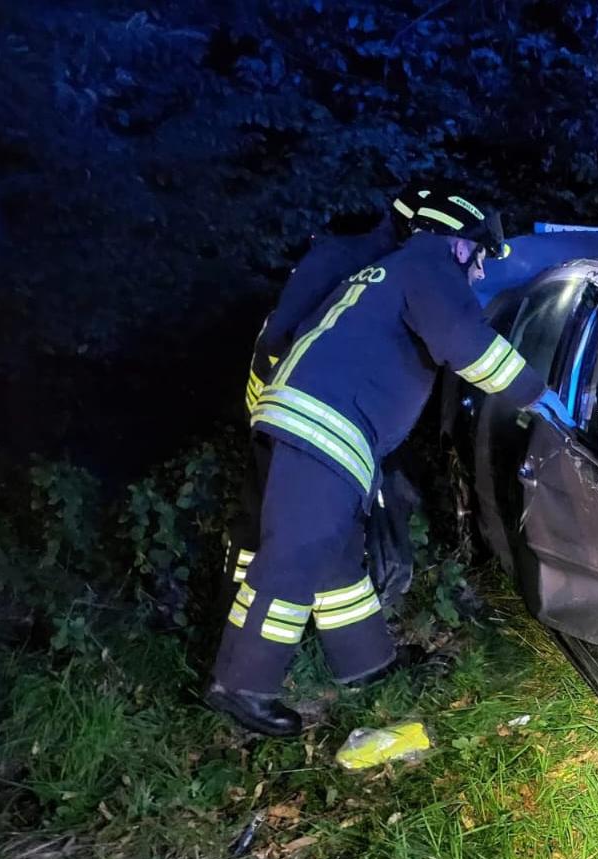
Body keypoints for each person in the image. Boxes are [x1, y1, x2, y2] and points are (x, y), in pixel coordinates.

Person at [207, 192, 571, 737]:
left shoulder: (388, 269)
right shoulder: (428, 262)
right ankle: (241, 684)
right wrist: (536, 394)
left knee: (334, 560)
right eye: (479, 259)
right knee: (297, 555)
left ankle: (367, 664)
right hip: (322, 423)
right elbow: (465, 342)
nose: (477, 274)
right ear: (459, 241)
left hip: (312, 420)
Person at [227, 183, 438, 599]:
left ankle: (291, 629)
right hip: (290, 419)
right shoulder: (347, 258)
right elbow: (280, 336)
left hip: (319, 421)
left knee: (316, 532)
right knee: (265, 528)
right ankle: (244, 617)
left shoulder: (391, 266)